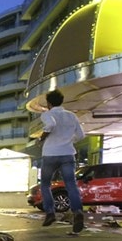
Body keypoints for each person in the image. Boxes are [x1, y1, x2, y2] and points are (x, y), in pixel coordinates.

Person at [38, 89, 85, 233]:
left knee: (45, 184)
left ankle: (50, 212)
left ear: (49, 103)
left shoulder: (47, 114)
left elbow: (50, 125)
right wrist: (68, 141)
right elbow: (81, 135)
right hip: (68, 154)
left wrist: (42, 136)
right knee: (71, 184)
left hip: (50, 154)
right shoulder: (72, 116)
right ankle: (77, 212)